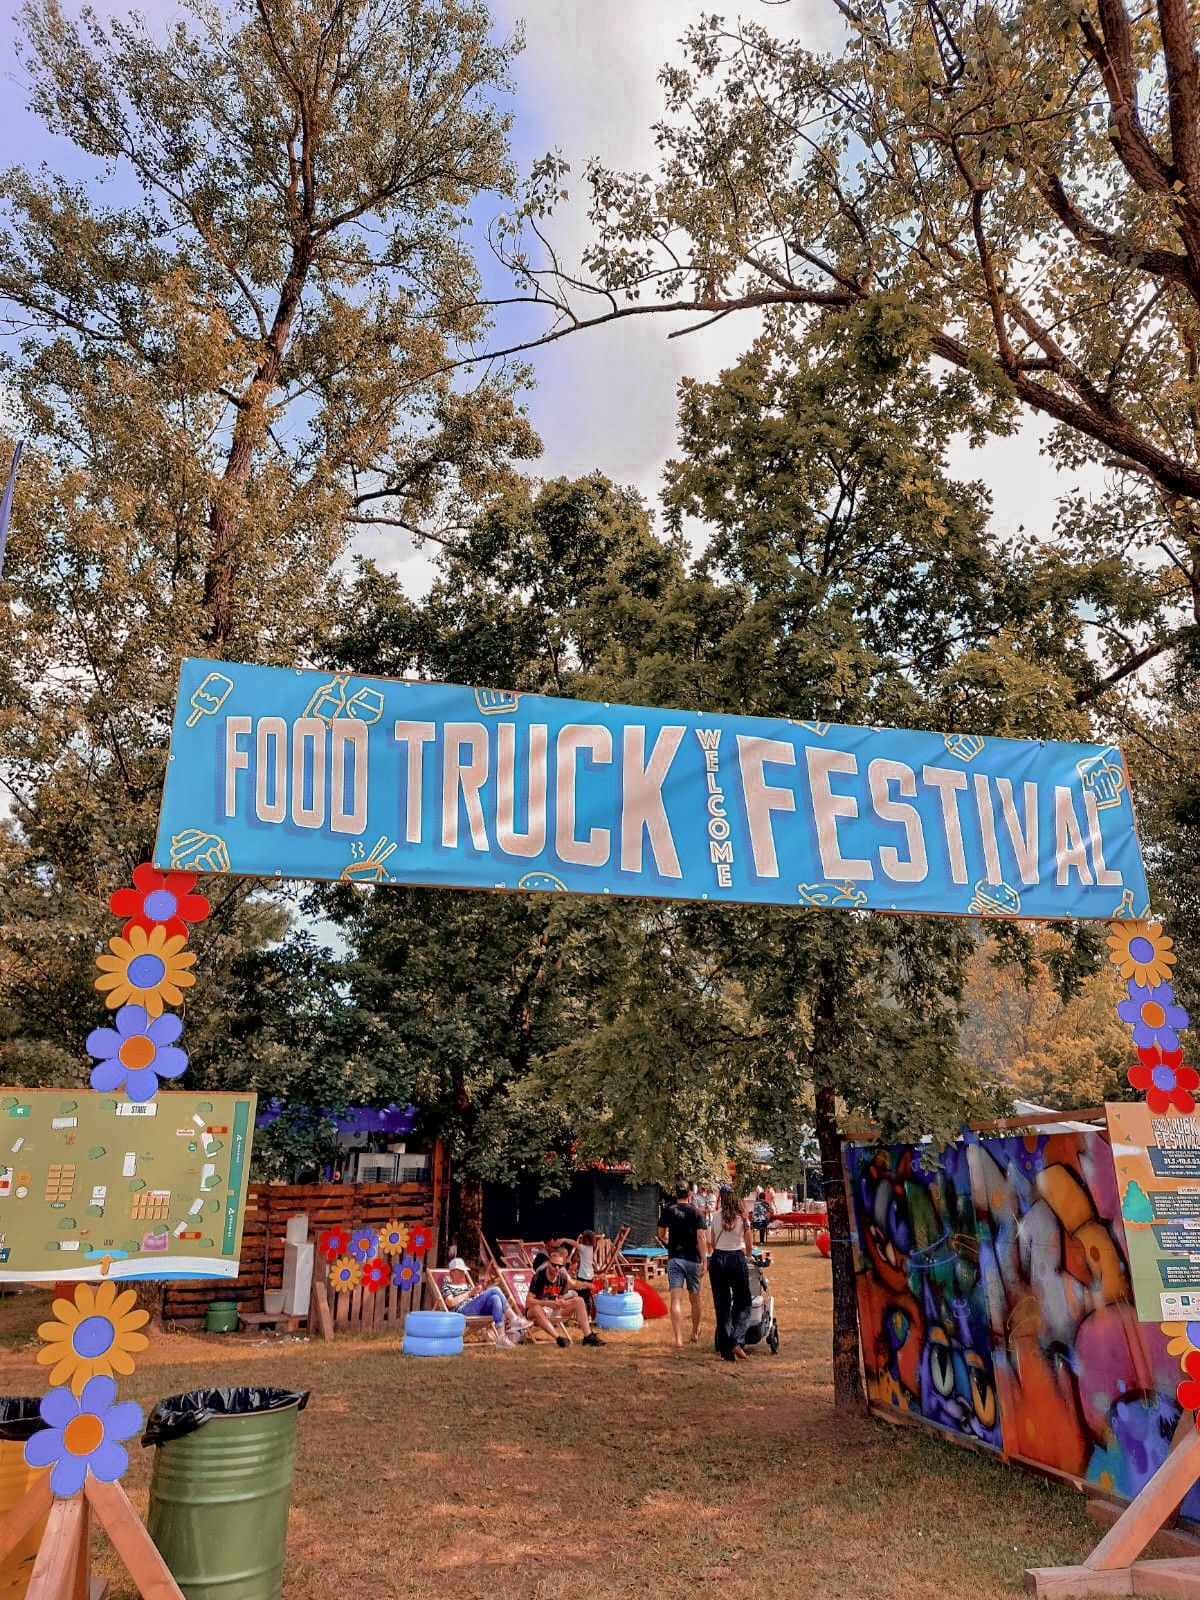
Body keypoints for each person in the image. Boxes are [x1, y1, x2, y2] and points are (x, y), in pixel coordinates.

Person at [657, 1181, 708, 1349]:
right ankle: (694, 1331)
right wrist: (705, 1259)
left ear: (675, 1193)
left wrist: (668, 1241)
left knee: (675, 1299)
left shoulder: (668, 1211)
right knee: (695, 1298)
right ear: (690, 1194)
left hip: (675, 1258)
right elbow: (701, 1238)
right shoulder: (696, 1213)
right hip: (692, 1259)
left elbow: (660, 1233)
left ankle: (678, 1338)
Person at [707, 1186, 754, 1362]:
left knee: (722, 1305)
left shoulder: (716, 1217)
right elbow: (748, 1242)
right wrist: (748, 1255)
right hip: (736, 1257)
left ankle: (726, 1351)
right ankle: (736, 1340)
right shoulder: (742, 1218)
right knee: (743, 1302)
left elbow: (712, 1241)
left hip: (718, 1259)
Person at [441, 1257, 530, 1348]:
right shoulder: (447, 1286)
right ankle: (514, 1319)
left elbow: (476, 1299)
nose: (463, 1273)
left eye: (463, 1271)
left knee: (495, 1298)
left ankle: (501, 1337)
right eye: (460, 1271)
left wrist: (480, 1293)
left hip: (475, 1309)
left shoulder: (467, 1286)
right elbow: (450, 1303)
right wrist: (470, 1293)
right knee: (495, 1289)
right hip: (462, 1311)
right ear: (452, 1272)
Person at [527, 1247, 605, 1347]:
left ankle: (588, 1336)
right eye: (554, 1265)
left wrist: (561, 1302)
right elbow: (528, 1302)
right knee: (536, 1308)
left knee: (579, 1300)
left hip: (553, 1310)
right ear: (548, 1263)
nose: (557, 1268)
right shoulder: (539, 1277)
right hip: (537, 1312)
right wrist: (549, 1303)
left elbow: (560, 1298)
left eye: (560, 1266)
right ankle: (558, 1339)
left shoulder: (562, 1277)